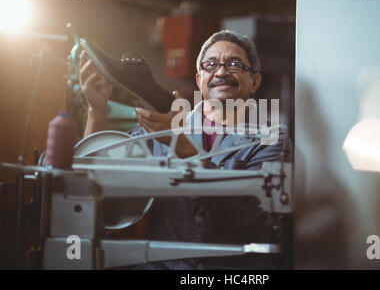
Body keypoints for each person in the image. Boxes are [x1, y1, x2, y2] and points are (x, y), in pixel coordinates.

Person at [79, 30, 292, 269]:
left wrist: (181, 146)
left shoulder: (271, 138)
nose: (221, 72)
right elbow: (96, 177)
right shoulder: (165, 127)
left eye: (235, 64)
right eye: (211, 64)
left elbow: (240, 214)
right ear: (200, 79)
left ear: (255, 81)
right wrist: (95, 111)